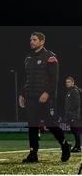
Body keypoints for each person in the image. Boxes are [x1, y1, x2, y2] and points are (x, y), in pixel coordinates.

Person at [19, 32, 70, 163]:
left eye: (34, 39)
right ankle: (33, 153)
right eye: (30, 39)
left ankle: (65, 145)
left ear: (42, 42)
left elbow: (54, 79)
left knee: (51, 124)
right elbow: (27, 79)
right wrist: (21, 94)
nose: (31, 41)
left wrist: (47, 93)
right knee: (32, 126)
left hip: (45, 98)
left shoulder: (50, 57)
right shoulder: (28, 58)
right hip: (30, 97)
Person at [64, 77, 81, 152]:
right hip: (71, 114)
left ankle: (78, 147)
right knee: (74, 130)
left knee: (75, 130)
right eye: (66, 82)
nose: (67, 83)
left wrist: (70, 111)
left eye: (69, 82)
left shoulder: (74, 91)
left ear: (73, 82)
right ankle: (77, 146)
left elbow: (76, 103)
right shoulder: (70, 91)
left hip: (74, 115)